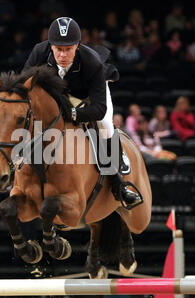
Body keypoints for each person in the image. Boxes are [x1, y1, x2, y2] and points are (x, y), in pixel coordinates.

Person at [22, 17, 141, 207]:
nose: (62, 55)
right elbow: (24, 87)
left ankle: (119, 182)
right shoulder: (39, 52)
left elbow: (100, 109)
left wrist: (74, 115)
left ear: (77, 45)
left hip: (88, 95)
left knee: (105, 126)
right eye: (58, 49)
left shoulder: (92, 62)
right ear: (50, 45)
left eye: (68, 49)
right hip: (58, 95)